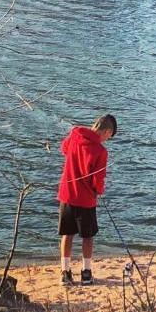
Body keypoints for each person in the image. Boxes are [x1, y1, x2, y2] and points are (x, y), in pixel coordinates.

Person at [57, 114, 117, 286]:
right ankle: (86, 272)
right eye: (109, 137)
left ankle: (65, 272)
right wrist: (99, 191)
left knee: (67, 234)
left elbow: (64, 148)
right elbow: (97, 179)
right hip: (85, 199)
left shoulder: (75, 135)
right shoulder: (100, 151)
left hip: (67, 193)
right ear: (106, 131)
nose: (107, 140)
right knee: (88, 236)